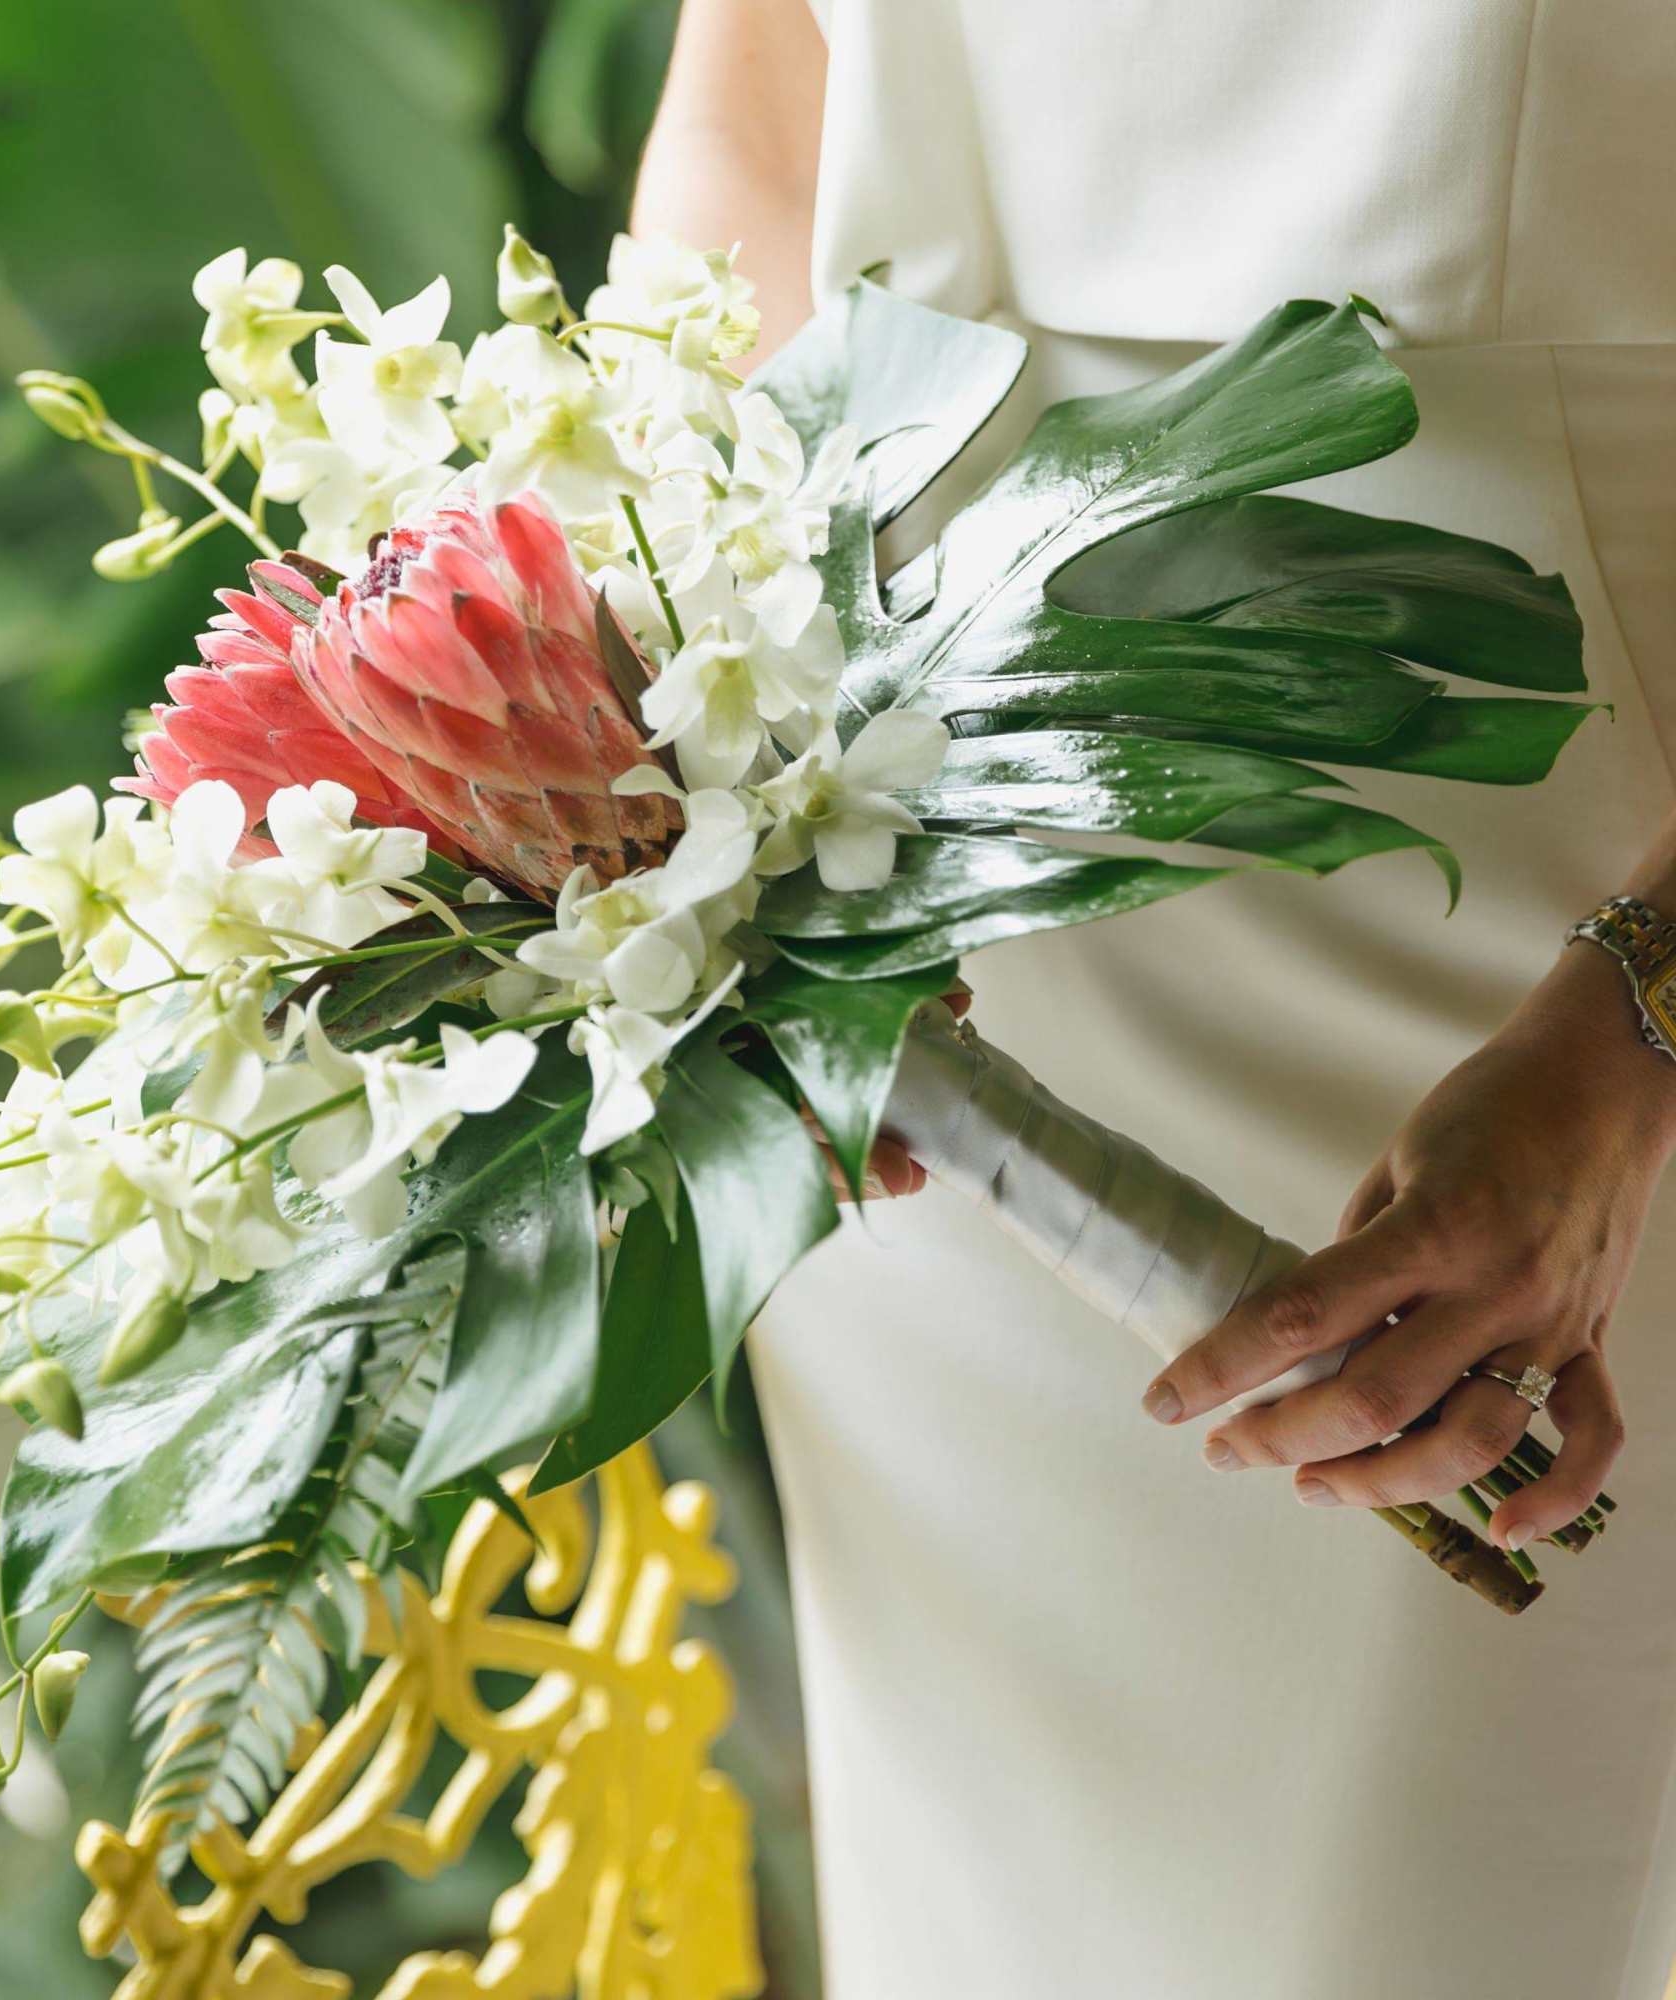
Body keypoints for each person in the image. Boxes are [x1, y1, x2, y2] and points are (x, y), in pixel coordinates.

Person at [632, 4, 1676, 1995]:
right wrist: (675, 743)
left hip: (1519, 939)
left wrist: (1631, 1035)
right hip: (898, 908)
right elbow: (752, 147)